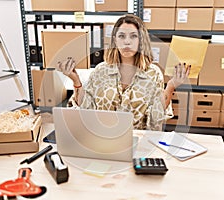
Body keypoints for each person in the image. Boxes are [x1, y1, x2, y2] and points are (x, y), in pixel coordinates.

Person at [57, 14, 190, 131]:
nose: (127, 41)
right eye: (122, 36)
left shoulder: (153, 74)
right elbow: (86, 109)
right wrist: (76, 81)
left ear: (140, 40)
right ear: (115, 40)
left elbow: (156, 116)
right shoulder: (100, 71)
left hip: (138, 142)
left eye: (133, 36)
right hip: (102, 140)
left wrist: (171, 86)